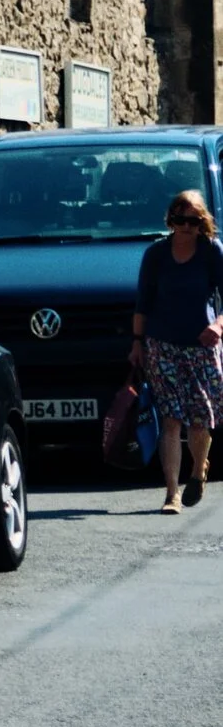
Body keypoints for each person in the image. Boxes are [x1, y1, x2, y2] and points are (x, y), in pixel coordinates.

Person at [130, 186, 223, 513]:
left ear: (203, 223)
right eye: (181, 220)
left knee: (200, 419)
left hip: (202, 345)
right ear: (171, 220)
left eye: (194, 221)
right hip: (162, 344)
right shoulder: (155, 254)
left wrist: (218, 326)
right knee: (170, 419)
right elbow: (143, 302)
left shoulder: (212, 251)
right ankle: (172, 493)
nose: (187, 227)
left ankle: (198, 471)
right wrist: (137, 344)